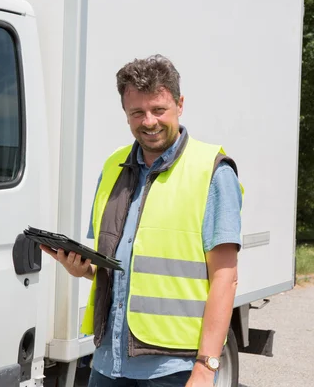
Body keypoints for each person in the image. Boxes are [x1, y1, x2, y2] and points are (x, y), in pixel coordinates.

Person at [41, 54, 243, 387]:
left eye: (158, 110)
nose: (148, 121)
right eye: (137, 112)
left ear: (179, 104)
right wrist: (84, 269)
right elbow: (126, 268)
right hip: (109, 360)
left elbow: (226, 278)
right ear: (126, 114)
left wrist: (206, 367)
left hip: (173, 368)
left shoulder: (212, 171)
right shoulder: (113, 167)